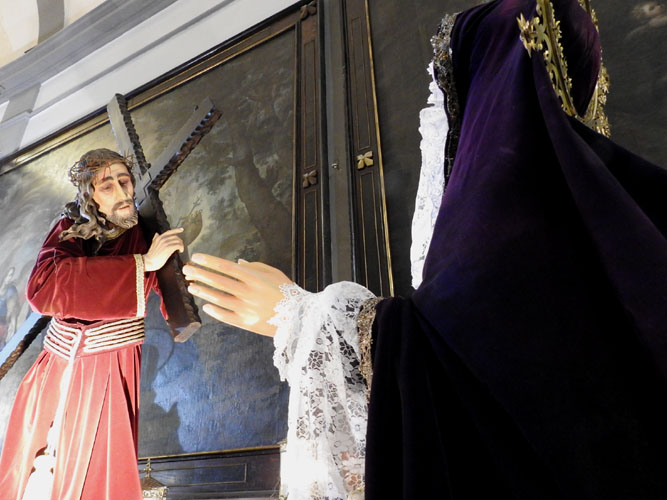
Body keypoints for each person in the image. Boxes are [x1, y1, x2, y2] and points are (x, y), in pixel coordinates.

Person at [185, 0, 667, 499]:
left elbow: (460, 373)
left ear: (489, 105)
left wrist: (298, 317)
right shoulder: (613, 236)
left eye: (450, 106)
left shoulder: (518, 235)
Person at [0, 148, 185, 500]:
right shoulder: (71, 228)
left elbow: (178, 300)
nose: (121, 192)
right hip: (61, 367)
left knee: (97, 472)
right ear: (90, 196)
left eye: (124, 182)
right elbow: (43, 287)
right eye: (107, 186)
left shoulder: (145, 232)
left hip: (112, 367)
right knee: (41, 466)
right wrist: (142, 264)